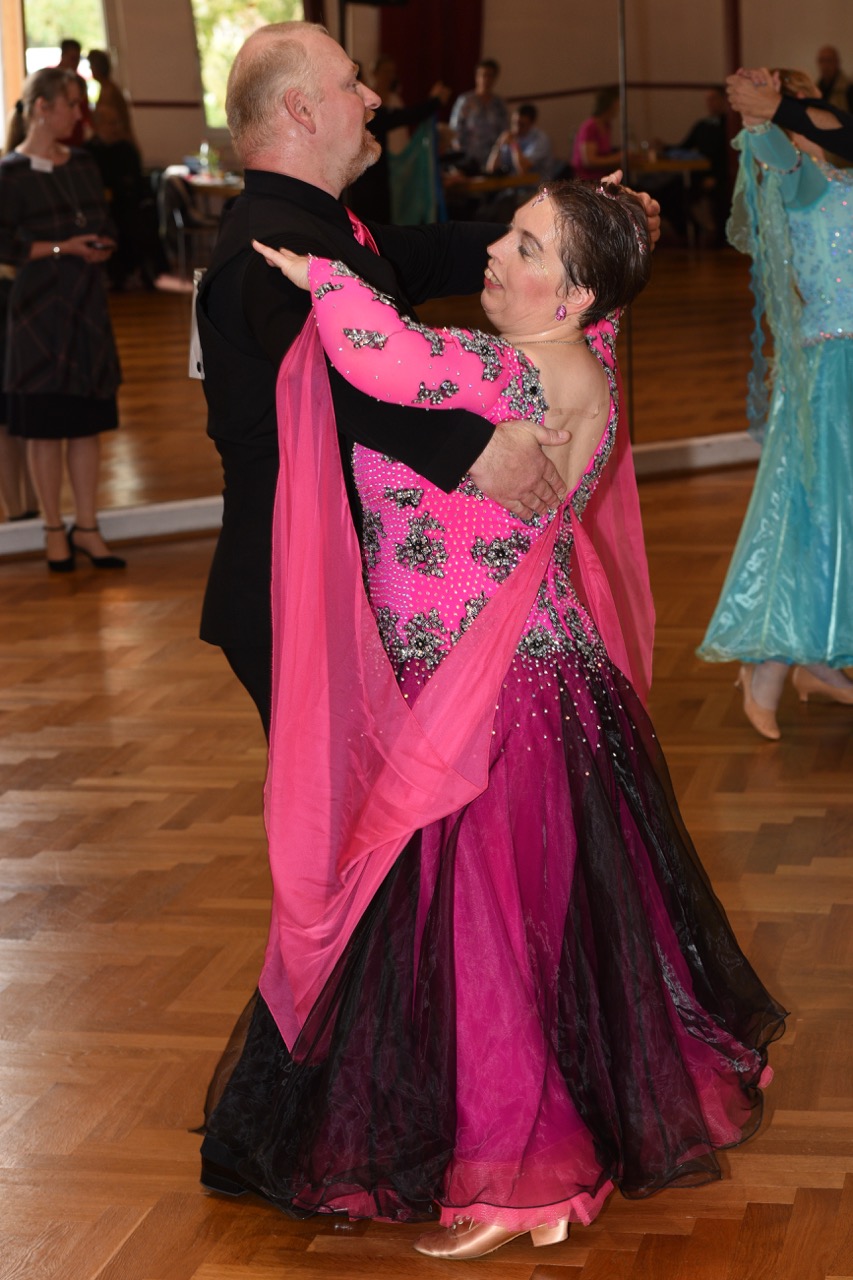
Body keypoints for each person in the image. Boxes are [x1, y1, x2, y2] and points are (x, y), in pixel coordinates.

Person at [198, 179, 785, 1259]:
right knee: (526, 937)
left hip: (486, 698)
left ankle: (529, 1176)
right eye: (507, 235)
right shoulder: (585, 364)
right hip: (535, 683)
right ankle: (542, 1144)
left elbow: (383, 358)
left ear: (573, 294)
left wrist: (318, 274)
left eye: (524, 246)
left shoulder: (508, 372)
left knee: (486, 944)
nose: (494, 255)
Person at [195, 21, 604, 736]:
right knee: (355, 801)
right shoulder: (274, 245)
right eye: (351, 83)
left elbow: (434, 251)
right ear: (301, 110)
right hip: (298, 583)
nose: (373, 97)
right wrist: (477, 450)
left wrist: (586, 234)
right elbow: (336, 381)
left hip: (333, 573)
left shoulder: (313, 226)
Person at [698, 69, 853, 736]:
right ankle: (764, 664)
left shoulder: (839, 180)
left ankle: (818, 659)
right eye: (803, 118)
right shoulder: (802, 182)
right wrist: (761, 119)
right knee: (806, 514)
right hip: (829, 371)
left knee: (840, 518)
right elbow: (775, 150)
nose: (817, 125)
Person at [0, 69, 125, 572]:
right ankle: (54, 528)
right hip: (37, 310)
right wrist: (61, 248)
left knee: (85, 424)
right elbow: (5, 246)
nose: (79, 114)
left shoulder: (85, 162)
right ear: (42, 108)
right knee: (45, 427)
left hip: (86, 304)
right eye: (72, 104)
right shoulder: (9, 173)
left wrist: (103, 243)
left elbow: (106, 222)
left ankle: (88, 527)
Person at [347, 55, 451, 223]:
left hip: (372, 179)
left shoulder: (364, 111)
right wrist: (435, 102)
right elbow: (403, 117)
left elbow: (400, 119)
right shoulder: (364, 114)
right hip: (367, 183)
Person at [726, 67, 853, 163]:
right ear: (801, 97)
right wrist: (763, 115)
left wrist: (774, 107)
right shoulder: (793, 155)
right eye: (817, 104)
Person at [449, 58, 509, 174]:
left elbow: (504, 132)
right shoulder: (465, 101)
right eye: (483, 75)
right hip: (468, 160)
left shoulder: (499, 104)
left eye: (490, 76)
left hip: (492, 161)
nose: (486, 79)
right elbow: (455, 131)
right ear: (477, 77)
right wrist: (460, 157)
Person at [486, 102, 553, 179]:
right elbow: (491, 170)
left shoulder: (541, 140)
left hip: (537, 185)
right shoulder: (509, 138)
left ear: (532, 123)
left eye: (521, 124)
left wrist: (514, 145)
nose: (516, 128)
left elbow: (522, 169)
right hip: (513, 185)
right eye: (514, 123)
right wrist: (498, 145)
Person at [571, 86, 624, 182]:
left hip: (603, 177)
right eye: (617, 104)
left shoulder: (607, 125)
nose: (619, 108)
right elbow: (589, 161)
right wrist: (618, 158)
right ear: (609, 105)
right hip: (587, 181)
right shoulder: (590, 127)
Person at [87, 49, 135, 145]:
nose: (90, 68)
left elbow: (108, 122)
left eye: (91, 66)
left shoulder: (109, 91)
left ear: (98, 68)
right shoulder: (106, 88)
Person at [55, 39, 91, 147]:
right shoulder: (52, 80)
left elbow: (84, 112)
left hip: (76, 138)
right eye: (72, 58)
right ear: (63, 56)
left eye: (77, 59)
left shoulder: (79, 81)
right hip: (57, 138)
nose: (75, 63)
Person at [816, 44, 853, 113]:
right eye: (822, 60)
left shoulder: (848, 88)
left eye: (829, 60)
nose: (825, 65)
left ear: (837, 62)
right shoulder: (815, 89)